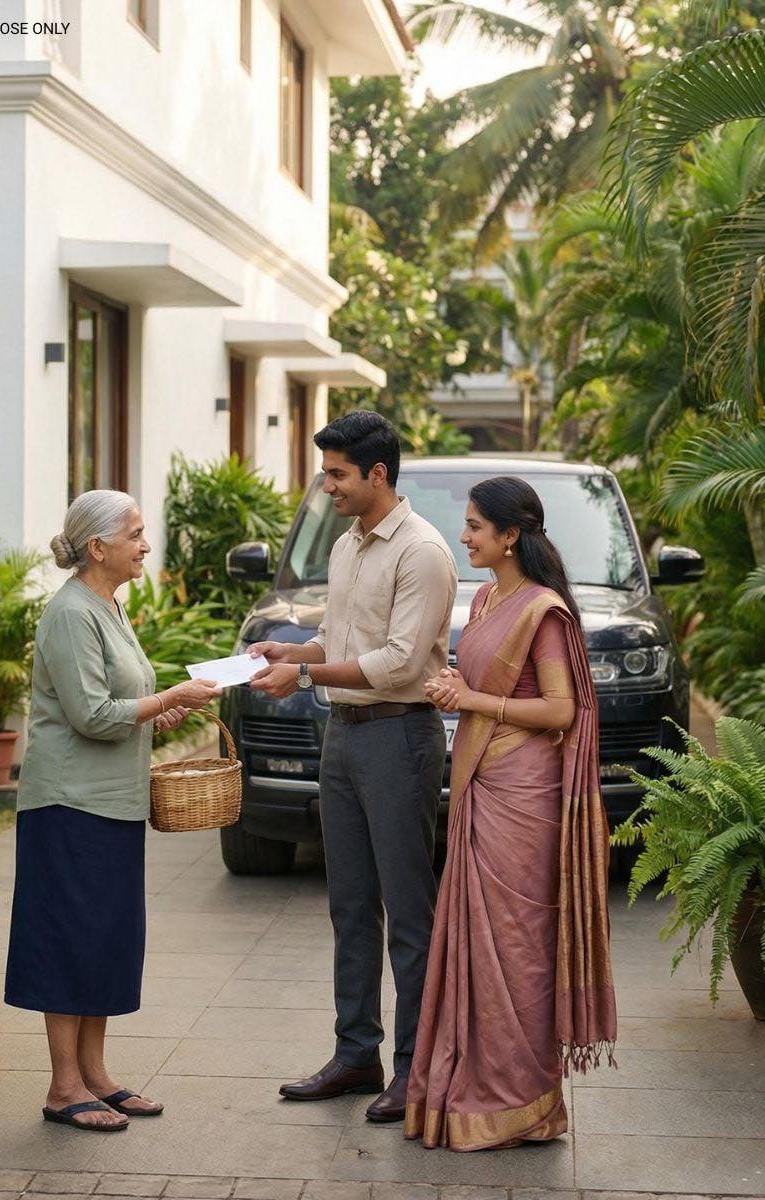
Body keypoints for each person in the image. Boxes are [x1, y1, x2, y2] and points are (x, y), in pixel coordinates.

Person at [249, 411, 457, 1123]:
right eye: (326, 472)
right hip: (345, 734)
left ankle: (416, 1068)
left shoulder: (422, 552)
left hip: (400, 737)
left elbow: (400, 663)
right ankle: (356, 1054)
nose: (328, 485)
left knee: (407, 910)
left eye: (338, 473)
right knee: (349, 905)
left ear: (378, 474)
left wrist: (305, 679)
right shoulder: (348, 545)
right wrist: (292, 654)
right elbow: (342, 634)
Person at [404, 475, 617, 1153]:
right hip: (482, 780)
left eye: (473, 526)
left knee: (517, 946)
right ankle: (475, 1089)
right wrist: (458, 688)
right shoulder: (491, 595)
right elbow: (485, 681)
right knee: (477, 940)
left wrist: (473, 703)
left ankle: (522, 1100)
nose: (463, 536)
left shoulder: (543, 610)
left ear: (509, 535)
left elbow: (561, 711)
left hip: (524, 795)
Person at [4, 489, 221, 1132]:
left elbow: (123, 705)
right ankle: (62, 1087)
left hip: (112, 803)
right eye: (135, 534)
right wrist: (170, 696)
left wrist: (165, 709)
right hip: (69, 804)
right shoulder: (71, 613)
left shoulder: (109, 607)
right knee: (70, 939)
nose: (145, 545)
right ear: (97, 547)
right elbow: (93, 717)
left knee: (104, 939)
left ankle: (95, 1076)